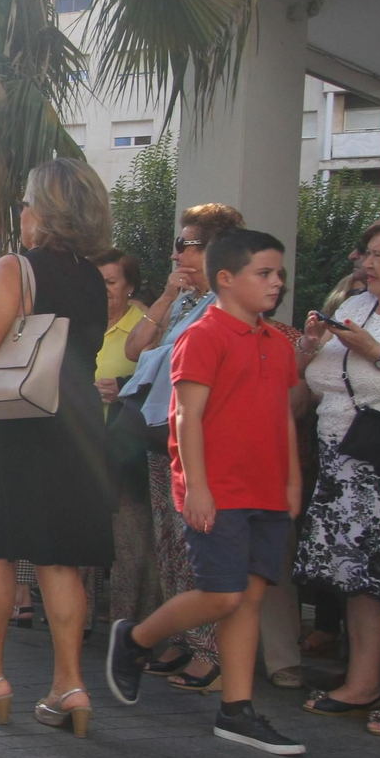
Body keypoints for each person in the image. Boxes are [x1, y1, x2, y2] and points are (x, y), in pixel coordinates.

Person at [106, 229, 305, 756]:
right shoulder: (203, 335)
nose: (276, 282)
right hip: (219, 489)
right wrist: (195, 486)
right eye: (264, 273)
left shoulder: (276, 342)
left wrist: (292, 481)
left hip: (266, 490)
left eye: (279, 273)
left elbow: (283, 417)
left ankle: (236, 709)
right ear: (226, 278)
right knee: (223, 593)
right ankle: (136, 639)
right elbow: (185, 415)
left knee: (249, 597)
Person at [0, 159, 113, 737]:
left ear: (43, 210)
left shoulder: (16, 266)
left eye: (25, 202)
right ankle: (70, 685)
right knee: (57, 558)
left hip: (16, 421)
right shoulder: (93, 277)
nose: (21, 212)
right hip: (76, 424)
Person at [119, 203, 245, 691]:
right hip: (161, 433)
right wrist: (168, 296)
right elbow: (135, 350)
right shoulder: (186, 301)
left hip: (202, 439)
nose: (176, 254)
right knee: (169, 543)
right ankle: (184, 637)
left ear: (214, 250)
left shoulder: (230, 302)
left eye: (185, 245)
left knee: (198, 543)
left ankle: (211, 651)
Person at [293, 217, 380, 738]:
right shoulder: (356, 307)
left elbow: (372, 365)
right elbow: (316, 377)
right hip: (343, 459)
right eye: (367, 253)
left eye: (379, 255)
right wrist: (309, 347)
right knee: (360, 579)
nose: (366, 263)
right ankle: (363, 682)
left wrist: (377, 353)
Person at [91, 249, 156, 623]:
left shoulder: (145, 327)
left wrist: (125, 388)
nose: (103, 290)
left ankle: (127, 624)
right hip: (83, 445)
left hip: (126, 451)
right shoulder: (82, 321)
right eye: (96, 282)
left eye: (111, 282)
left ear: (130, 286)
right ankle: (77, 621)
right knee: (81, 535)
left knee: (129, 539)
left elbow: (157, 380)